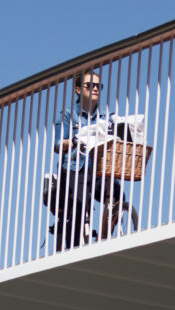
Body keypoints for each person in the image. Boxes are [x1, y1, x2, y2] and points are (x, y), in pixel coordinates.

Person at [50, 68, 133, 251]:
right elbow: (56, 145)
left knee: (118, 197)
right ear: (79, 90)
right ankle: (76, 248)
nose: (94, 89)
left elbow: (120, 133)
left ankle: (104, 238)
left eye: (98, 86)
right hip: (74, 168)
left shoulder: (106, 117)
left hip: (97, 169)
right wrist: (68, 142)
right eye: (89, 85)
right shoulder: (67, 115)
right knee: (80, 204)